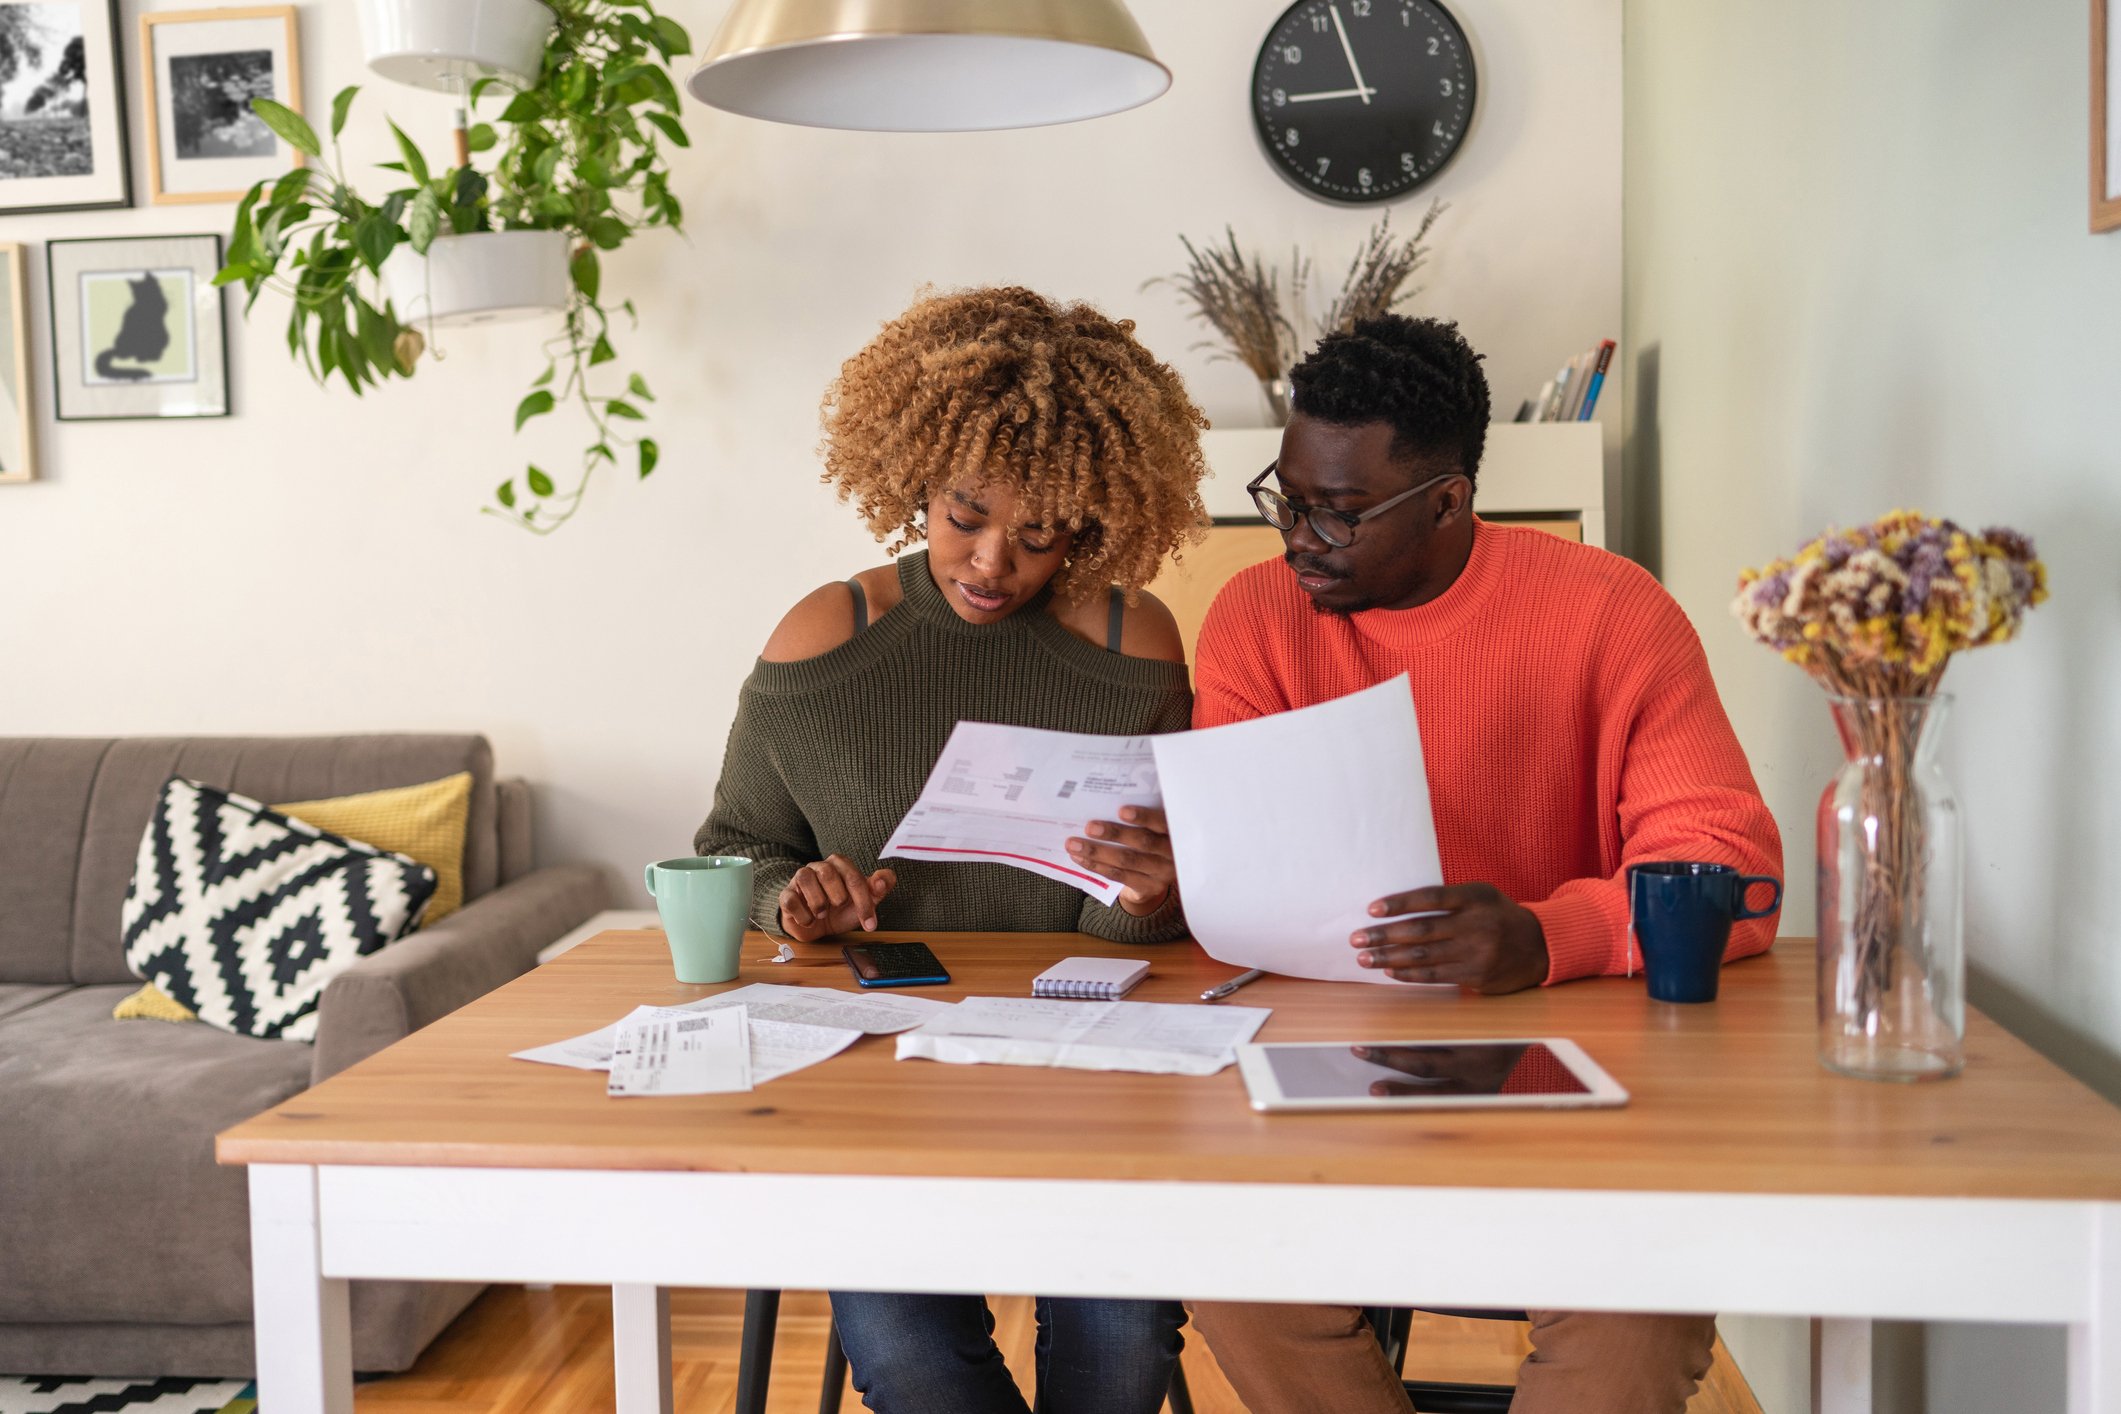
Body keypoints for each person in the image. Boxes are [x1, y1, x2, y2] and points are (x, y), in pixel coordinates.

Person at [1065, 314, 1784, 1414]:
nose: (1298, 535)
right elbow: (1251, 870)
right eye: (1287, 498)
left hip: (1577, 1061)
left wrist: (1547, 934)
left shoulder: (1614, 612)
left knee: (1639, 1302)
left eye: (1340, 514)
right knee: (1221, 1249)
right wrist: (1189, 871)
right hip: (1330, 1062)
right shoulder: (1257, 616)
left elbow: (1727, 868)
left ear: (1449, 500)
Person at [695, 286, 1207, 1414]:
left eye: (1039, 536)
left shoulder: (1134, 643)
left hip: (1092, 1070)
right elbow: (734, 849)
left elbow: (1161, 918)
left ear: (1096, 519)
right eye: (964, 514)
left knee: (1122, 1342)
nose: (989, 563)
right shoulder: (830, 635)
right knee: (912, 1357)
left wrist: (1150, 892)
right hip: (881, 1076)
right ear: (913, 473)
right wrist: (796, 901)